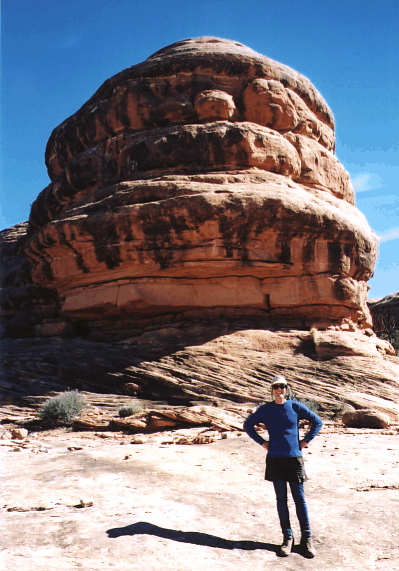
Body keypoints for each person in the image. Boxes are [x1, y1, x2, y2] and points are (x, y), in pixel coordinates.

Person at [244, 375, 322, 558]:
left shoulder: (294, 406)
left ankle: (306, 539)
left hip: (294, 458)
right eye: (276, 387)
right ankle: (288, 538)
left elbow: (317, 421)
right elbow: (248, 424)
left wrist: (305, 441)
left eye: (283, 386)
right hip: (275, 460)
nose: (279, 389)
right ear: (271, 390)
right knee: (281, 500)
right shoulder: (266, 409)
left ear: (287, 389)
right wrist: (262, 443)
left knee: (299, 499)